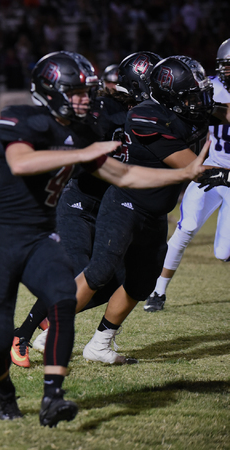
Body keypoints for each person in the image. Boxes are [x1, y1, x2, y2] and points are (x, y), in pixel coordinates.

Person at [0, 51, 207, 426]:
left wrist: (186, 174)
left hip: (44, 234)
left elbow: (128, 177)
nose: (88, 98)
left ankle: (53, 397)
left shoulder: (85, 130)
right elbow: (20, 162)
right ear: (49, 90)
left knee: (79, 288)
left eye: (88, 91)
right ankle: (5, 389)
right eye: (77, 91)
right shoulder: (19, 116)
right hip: (4, 236)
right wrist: (83, 152)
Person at [10, 51, 162, 368]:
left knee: (120, 279)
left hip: (114, 204)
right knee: (77, 270)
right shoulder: (103, 110)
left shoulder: (153, 115)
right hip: (80, 201)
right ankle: (20, 336)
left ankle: (63, 325)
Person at [76, 56, 221, 364]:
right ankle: (40, 328)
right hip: (126, 203)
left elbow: (221, 111)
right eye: (190, 96)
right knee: (100, 272)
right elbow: (192, 168)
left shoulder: (187, 108)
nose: (199, 101)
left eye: (200, 93)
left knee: (141, 283)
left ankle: (100, 345)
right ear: (170, 97)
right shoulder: (147, 116)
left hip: (156, 212)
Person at [145, 39, 230, 312]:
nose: (229, 73)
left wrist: (211, 108)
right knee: (187, 227)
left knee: (223, 253)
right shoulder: (209, 85)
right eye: (227, 67)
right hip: (209, 170)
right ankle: (157, 292)